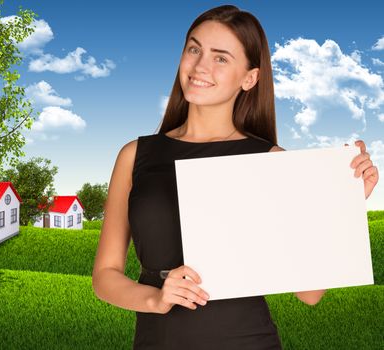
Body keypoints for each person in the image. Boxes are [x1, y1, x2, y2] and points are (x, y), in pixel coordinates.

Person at [92, 4, 379, 350]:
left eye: (221, 58)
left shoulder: (273, 162)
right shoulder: (135, 155)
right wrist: (156, 300)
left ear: (249, 78)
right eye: (194, 49)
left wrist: (343, 201)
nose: (200, 66)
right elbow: (104, 277)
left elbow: (309, 293)